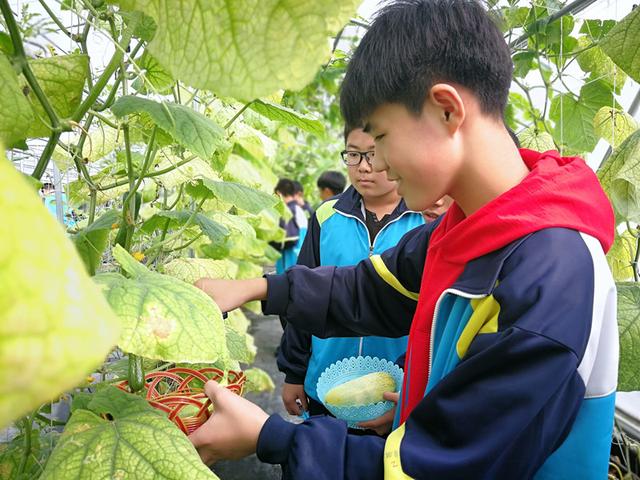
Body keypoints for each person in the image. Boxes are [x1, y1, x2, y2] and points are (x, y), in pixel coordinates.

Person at [191, 1, 617, 478]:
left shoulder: (553, 276)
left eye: (382, 138)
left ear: (446, 109)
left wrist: (270, 437)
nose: (378, 165)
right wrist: (259, 288)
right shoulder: (467, 229)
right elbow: (370, 289)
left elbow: (444, 463)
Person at [278, 126, 425, 431]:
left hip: (395, 388)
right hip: (325, 383)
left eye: (373, 154)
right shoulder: (325, 216)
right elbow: (304, 294)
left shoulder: (425, 215)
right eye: (354, 155)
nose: (364, 167)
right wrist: (294, 372)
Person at [271, 178, 308, 274]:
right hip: (300, 256)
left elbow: (285, 239)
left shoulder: (287, 211)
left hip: (289, 259)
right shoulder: (299, 209)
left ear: (278, 193)